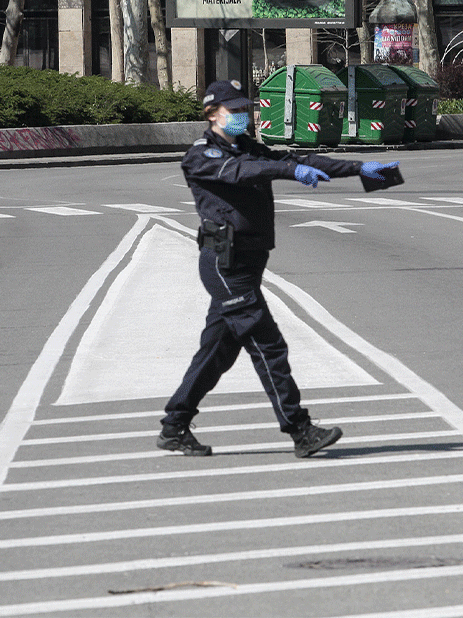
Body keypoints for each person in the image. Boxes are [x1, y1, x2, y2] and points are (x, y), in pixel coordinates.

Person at [158, 79, 398, 458]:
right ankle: (299, 430)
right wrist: (288, 172)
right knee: (268, 345)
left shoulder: (249, 147)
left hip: (249, 261)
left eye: (246, 110)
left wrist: (359, 168)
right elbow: (244, 172)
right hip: (225, 264)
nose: (243, 117)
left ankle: (174, 425)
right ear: (211, 114)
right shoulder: (202, 155)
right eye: (234, 111)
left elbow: (298, 161)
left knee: (217, 350)